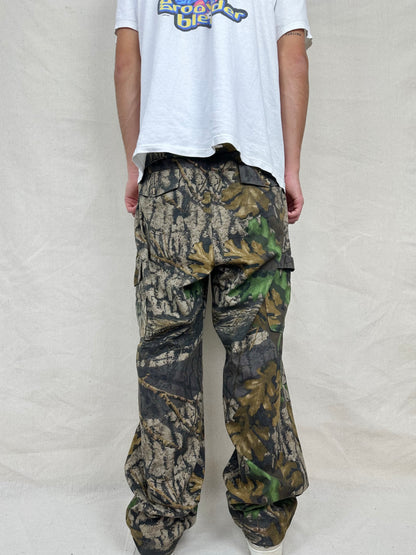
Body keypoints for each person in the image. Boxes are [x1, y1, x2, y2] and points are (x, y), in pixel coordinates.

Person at [114, 2, 312, 554]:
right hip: (252, 180)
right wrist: (291, 168)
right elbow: (292, 60)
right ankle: (264, 524)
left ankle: (159, 523)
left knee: (165, 357)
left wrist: (134, 164)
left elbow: (127, 64)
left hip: (167, 178)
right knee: (257, 357)